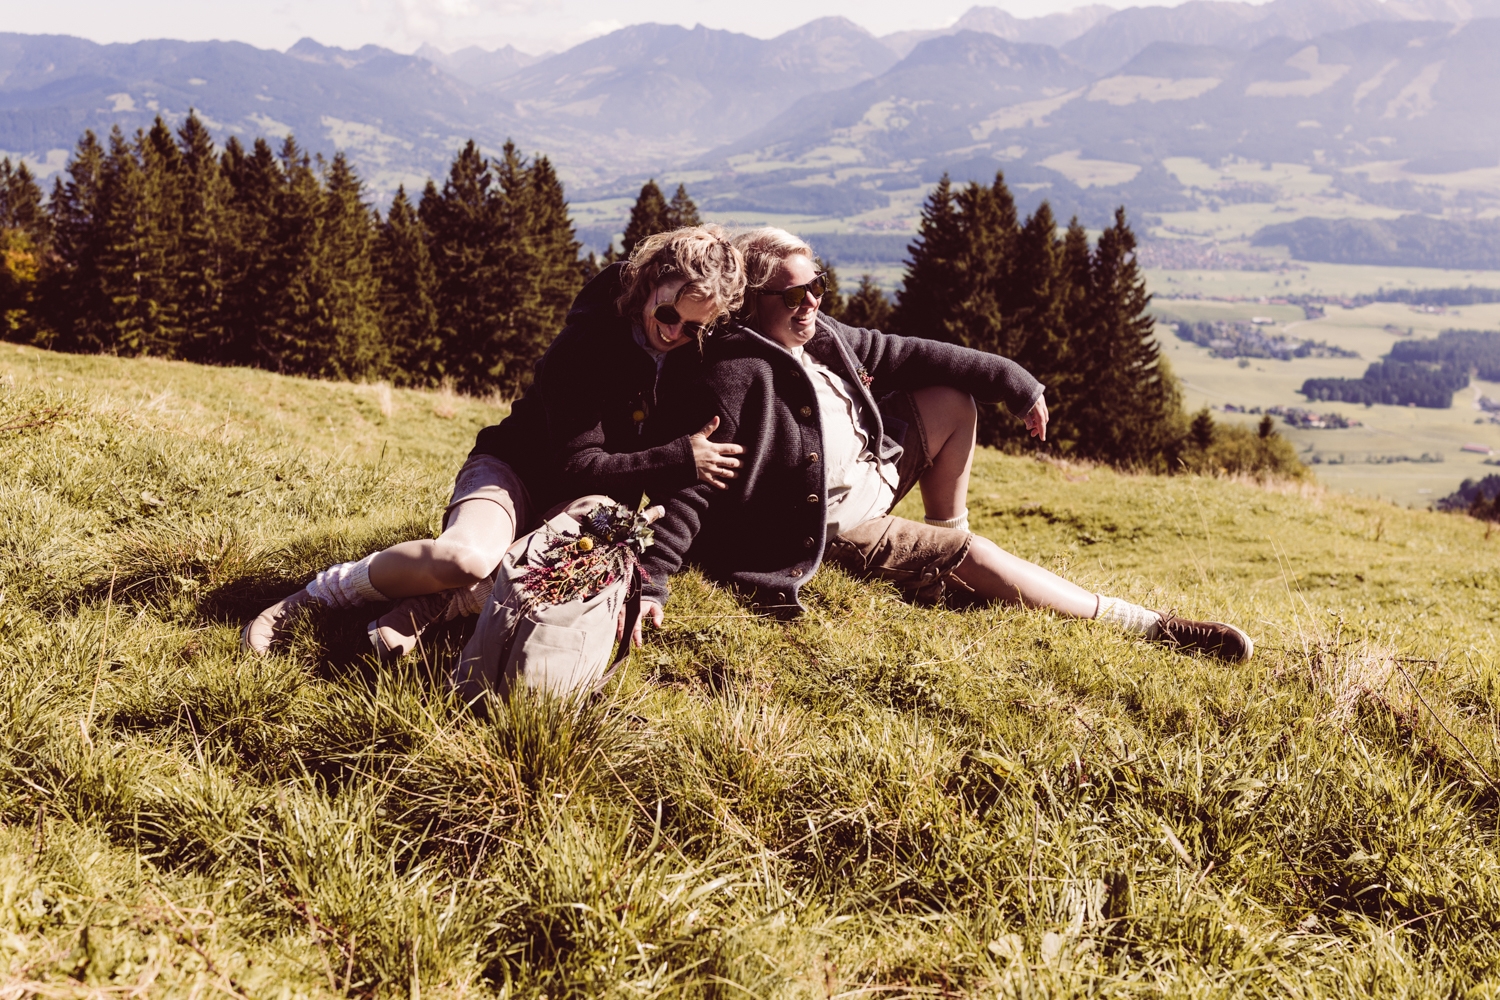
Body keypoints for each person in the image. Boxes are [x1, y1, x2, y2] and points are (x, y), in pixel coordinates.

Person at [635, 227, 1253, 661]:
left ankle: (942, 542)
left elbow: (910, 352)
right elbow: (692, 485)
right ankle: (1146, 626)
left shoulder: (819, 334)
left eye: (816, 287)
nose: (810, 304)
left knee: (953, 400)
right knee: (975, 552)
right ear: (752, 301)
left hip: (869, 477)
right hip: (825, 524)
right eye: (793, 296)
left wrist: (1016, 382)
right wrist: (653, 582)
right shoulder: (733, 374)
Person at [242, 226, 747, 657]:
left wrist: (654, 579)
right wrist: (679, 456)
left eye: (694, 328)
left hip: (588, 504)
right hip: (515, 470)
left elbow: (692, 481)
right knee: (466, 560)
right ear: (647, 286)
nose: (675, 333)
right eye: (667, 316)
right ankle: (318, 596)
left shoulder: (698, 364)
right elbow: (578, 463)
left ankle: (426, 607)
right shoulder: (587, 342)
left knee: (560, 557)